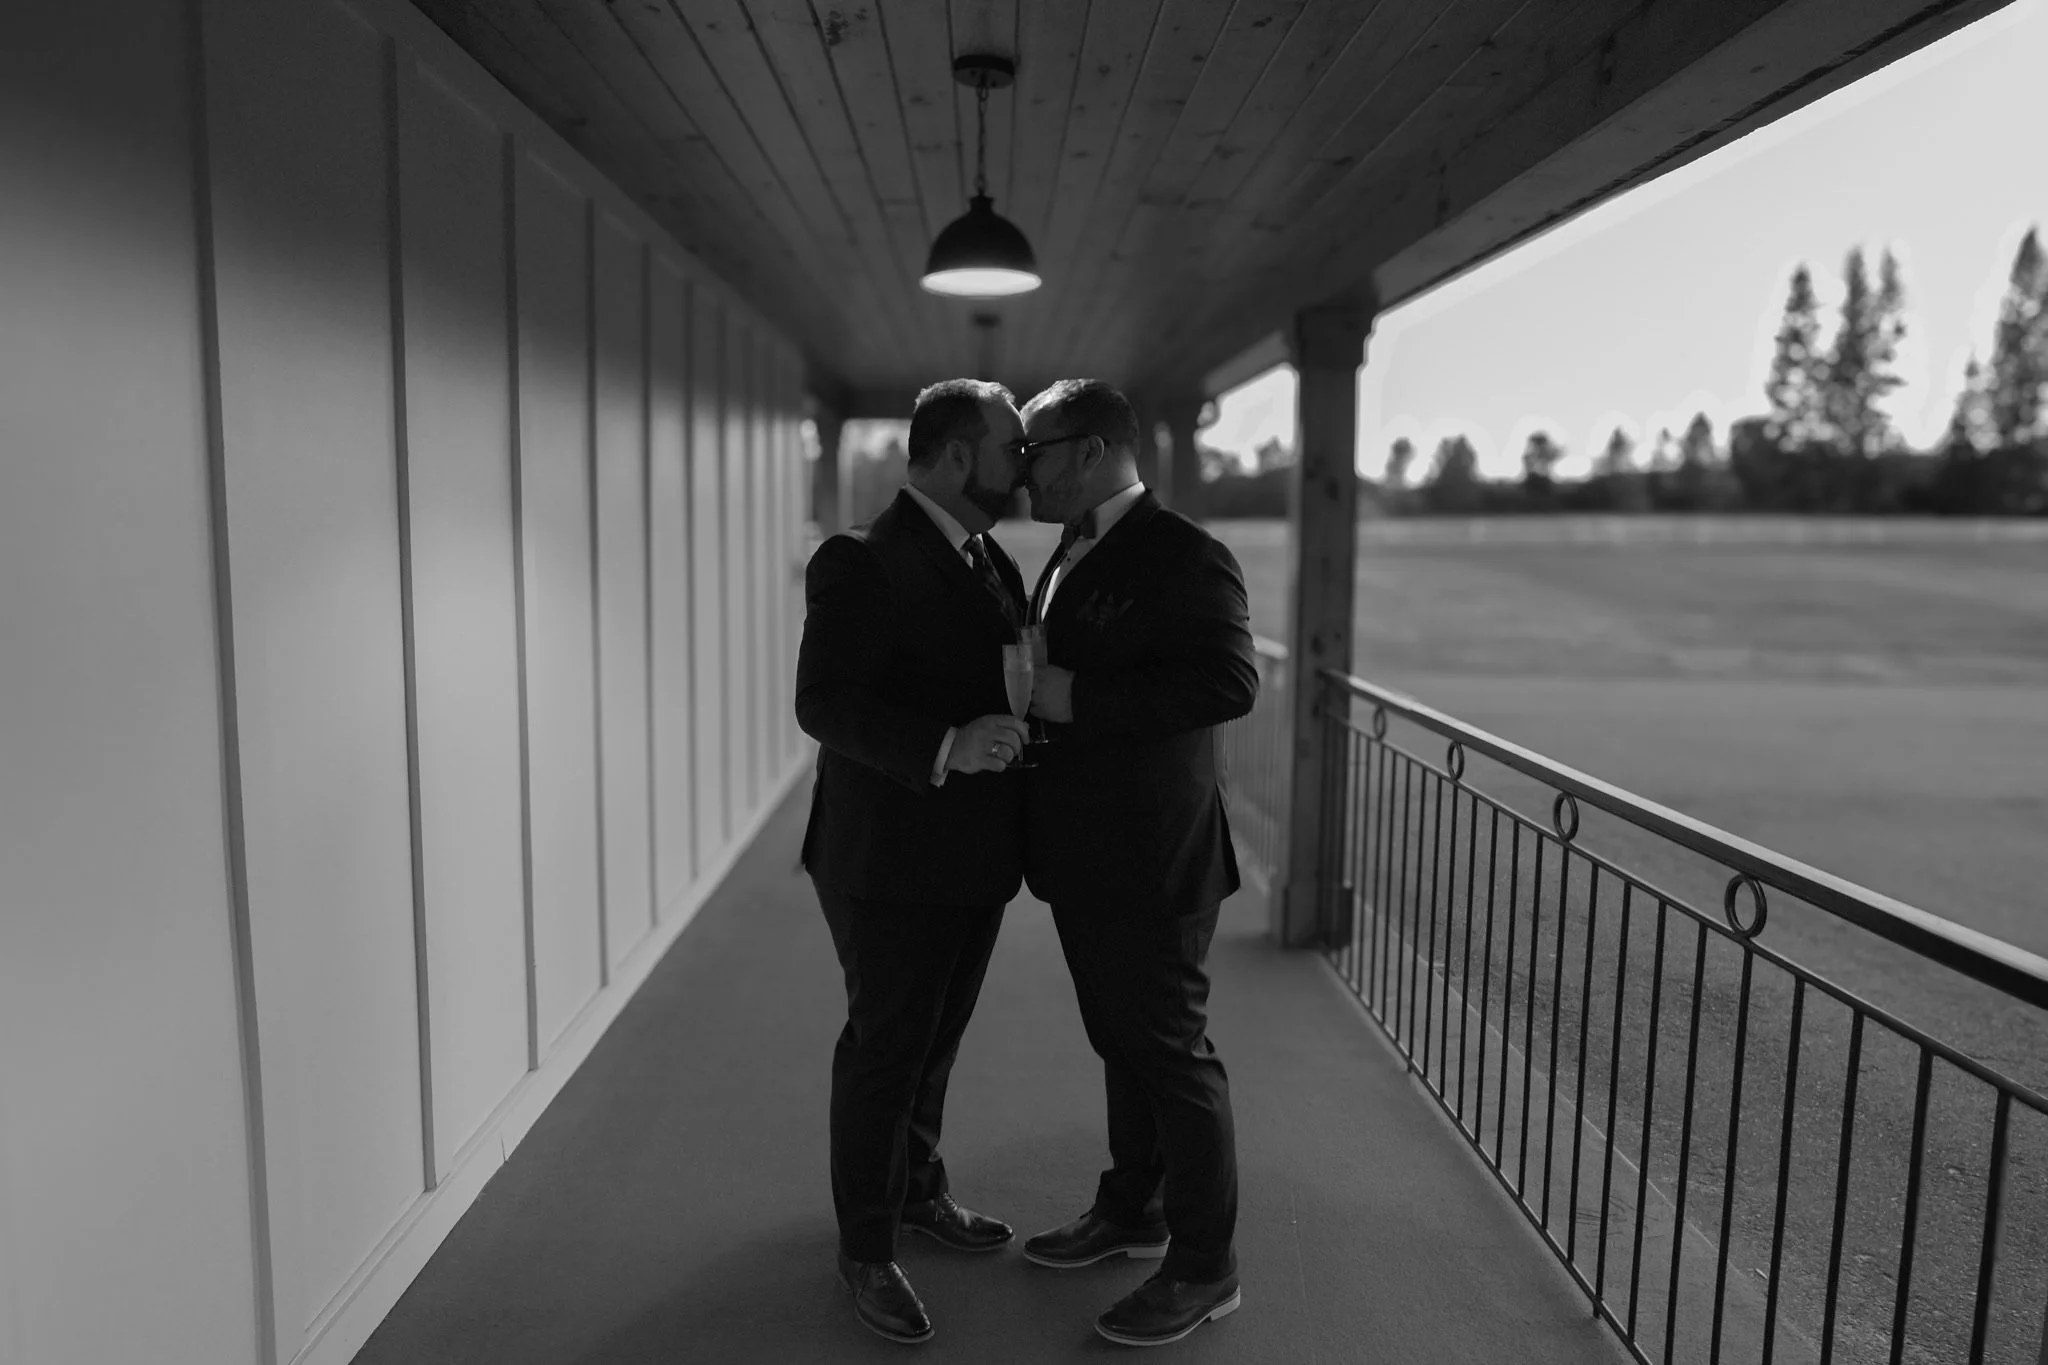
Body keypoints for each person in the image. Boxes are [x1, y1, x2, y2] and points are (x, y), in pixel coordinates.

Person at [1014, 378, 1258, 1348]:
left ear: (1086, 448)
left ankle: (1204, 1268)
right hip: (1084, 854)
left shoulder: (1185, 554)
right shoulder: (1072, 547)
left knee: (1169, 1054)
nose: (1023, 472)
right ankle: (1131, 1210)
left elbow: (1229, 679)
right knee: (1122, 1043)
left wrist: (1081, 700)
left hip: (1153, 857)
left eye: (1032, 451)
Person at [794, 378, 1032, 1345]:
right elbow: (824, 704)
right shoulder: (859, 559)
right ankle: (867, 1246)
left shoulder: (992, 561)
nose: (1024, 465)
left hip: (974, 857)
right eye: (1012, 447)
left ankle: (922, 1191)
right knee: (886, 1051)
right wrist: (946, 742)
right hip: (883, 855)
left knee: (936, 1043)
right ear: (959, 454)